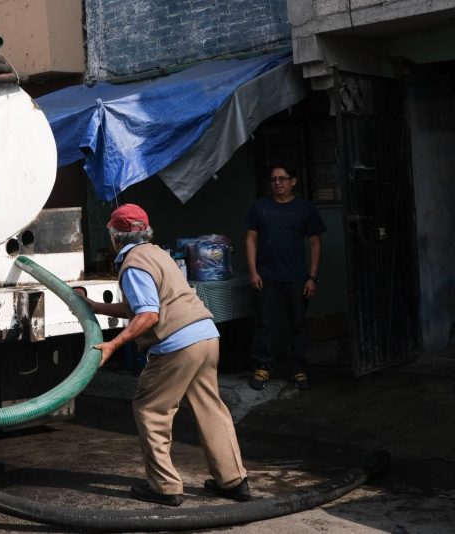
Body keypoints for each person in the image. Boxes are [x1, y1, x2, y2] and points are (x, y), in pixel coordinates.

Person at [83, 203, 249, 507]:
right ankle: (233, 480)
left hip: (177, 344)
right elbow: (143, 306)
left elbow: (148, 315)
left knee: (151, 409)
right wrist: (95, 306)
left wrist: (113, 344)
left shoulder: (132, 264)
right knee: (210, 406)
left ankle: (164, 486)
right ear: (146, 231)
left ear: (115, 237)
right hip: (206, 334)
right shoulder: (158, 254)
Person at [246, 166, 326, 391]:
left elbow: (315, 243)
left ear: (293, 181)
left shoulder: (304, 208)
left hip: (296, 277)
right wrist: (253, 271)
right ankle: (263, 368)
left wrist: (312, 277)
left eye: (282, 179)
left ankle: (298, 369)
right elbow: (251, 239)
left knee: (297, 324)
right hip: (266, 276)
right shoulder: (259, 207)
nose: (277, 183)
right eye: (273, 180)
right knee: (264, 323)